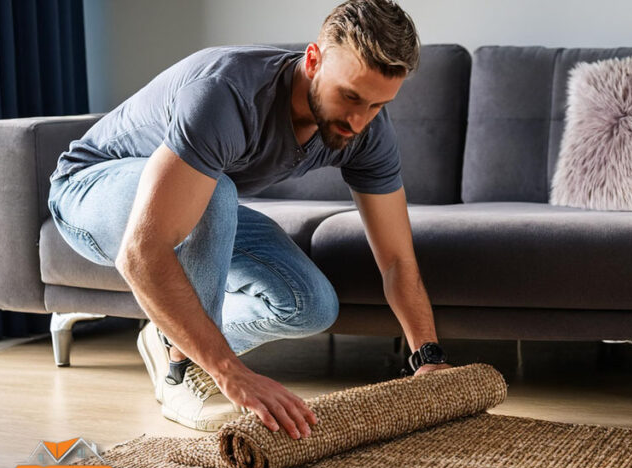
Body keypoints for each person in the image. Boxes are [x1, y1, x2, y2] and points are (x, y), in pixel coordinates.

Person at [46, 0, 451, 439]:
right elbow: (142, 253)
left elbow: (396, 259)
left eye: (376, 105)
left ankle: (168, 337)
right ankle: (182, 373)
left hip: (193, 200)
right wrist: (228, 371)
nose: (358, 120)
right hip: (90, 192)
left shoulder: (367, 128)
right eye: (350, 96)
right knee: (219, 191)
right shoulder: (226, 95)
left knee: (310, 305)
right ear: (313, 61)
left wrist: (426, 356)